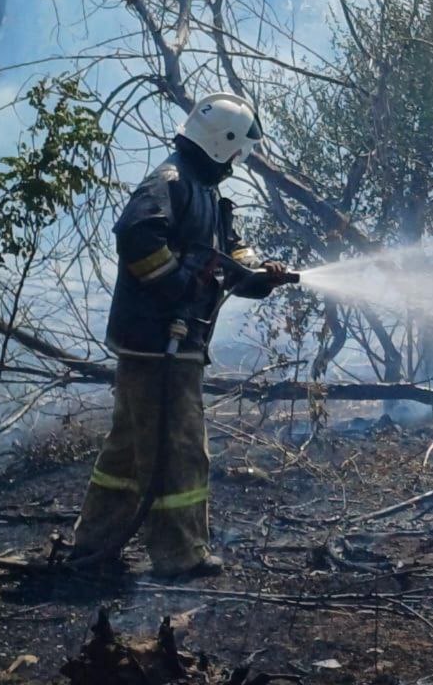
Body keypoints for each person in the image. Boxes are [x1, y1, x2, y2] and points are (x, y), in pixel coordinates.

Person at [70, 93, 294, 578]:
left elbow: (229, 252)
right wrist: (178, 288)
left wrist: (260, 274)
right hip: (159, 344)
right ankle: (180, 554)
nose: (237, 163)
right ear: (221, 143)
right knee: (181, 447)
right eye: (236, 152)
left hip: (163, 342)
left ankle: (93, 546)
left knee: (128, 452)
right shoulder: (169, 182)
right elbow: (136, 236)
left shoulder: (205, 190)